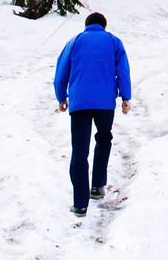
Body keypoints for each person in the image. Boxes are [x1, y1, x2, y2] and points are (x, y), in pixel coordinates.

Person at [54, 12, 131, 217]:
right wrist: (125, 97)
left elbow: (61, 72)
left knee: (79, 150)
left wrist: (61, 97)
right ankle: (97, 186)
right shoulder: (113, 41)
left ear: (86, 25)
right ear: (104, 26)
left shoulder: (74, 41)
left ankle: (80, 204)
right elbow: (122, 71)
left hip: (79, 102)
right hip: (105, 102)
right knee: (104, 138)